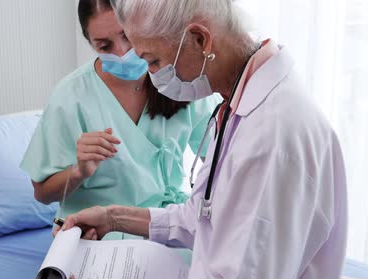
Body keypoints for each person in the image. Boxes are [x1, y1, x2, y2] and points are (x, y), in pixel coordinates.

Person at [38, 1, 368, 279]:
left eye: (152, 60)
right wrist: (112, 216)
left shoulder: (270, 138)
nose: (148, 74)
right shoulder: (239, 101)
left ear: (201, 40)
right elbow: (200, 215)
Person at [20, 0, 222, 241]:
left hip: (165, 229)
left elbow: (220, 160)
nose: (122, 53)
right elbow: (42, 193)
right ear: (90, 43)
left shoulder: (178, 80)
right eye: (105, 46)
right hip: (96, 238)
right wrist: (78, 171)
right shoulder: (70, 97)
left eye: (127, 36)